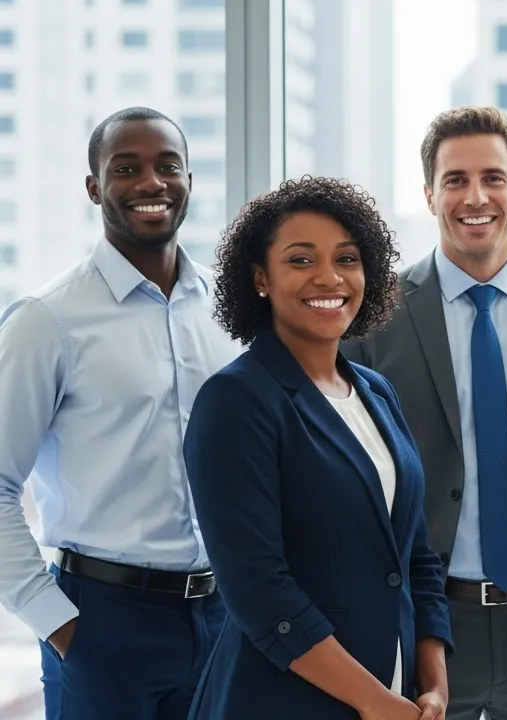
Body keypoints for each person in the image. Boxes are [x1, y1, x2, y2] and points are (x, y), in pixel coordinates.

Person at [342, 106, 507, 720]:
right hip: (427, 623)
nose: (475, 197)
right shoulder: (374, 316)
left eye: (493, 178)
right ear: (429, 194)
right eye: (455, 180)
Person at [0, 107, 241, 720]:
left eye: (168, 166)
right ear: (94, 187)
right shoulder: (46, 320)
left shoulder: (230, 312)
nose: (151, 183)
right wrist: (59, 625)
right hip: (101, 621)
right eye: (126, 168)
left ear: (189, 181)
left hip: (223, 616)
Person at [182, 176, 453, 719]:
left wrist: (434, 683)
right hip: (281, 701)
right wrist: (375, 702)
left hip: (397, 697)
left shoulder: (376, 392)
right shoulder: (235, 400)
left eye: (346, 258)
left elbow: (416, 556)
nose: (329, 277)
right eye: (301, 260)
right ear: (260, 278)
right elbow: (259, 589)